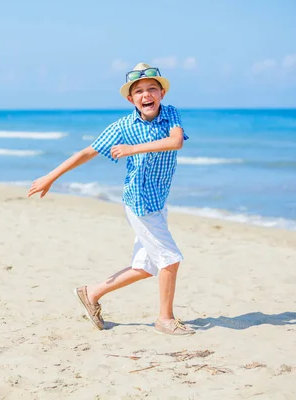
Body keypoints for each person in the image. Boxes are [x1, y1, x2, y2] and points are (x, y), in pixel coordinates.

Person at [27, 63, 194, 336]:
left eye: (152, 88)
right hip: (140, 202)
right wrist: (51, 176)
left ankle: (91, 293)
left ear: (162, 93)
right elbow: (86, 152)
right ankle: (165, 319)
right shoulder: (123, 127)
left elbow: (176, 142)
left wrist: (132, 149)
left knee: (146, 266)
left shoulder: (172, 114)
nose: (145, 94)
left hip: (159, 200)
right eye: (138, 91)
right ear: (131, 99)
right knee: (169, 259)